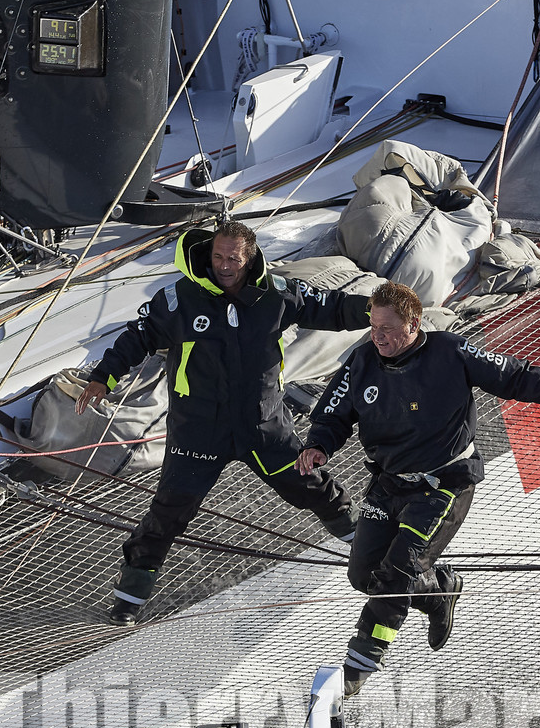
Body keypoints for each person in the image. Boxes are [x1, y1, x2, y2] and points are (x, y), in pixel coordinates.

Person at [296, 281, 540, 696]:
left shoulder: (449, 351)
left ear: (414, 323)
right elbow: (332, 413)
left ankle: (360, 663)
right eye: (373, 327)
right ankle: (439, 590)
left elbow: (509, 374)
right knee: (363, 574)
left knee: (397, 573)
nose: (378, 336)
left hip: (444, 485)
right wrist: (317, 445)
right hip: (388, 485)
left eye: (388, 328)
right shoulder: (361, 362)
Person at [76, 217, 372, 625]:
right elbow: (136, 336)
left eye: (233, 258)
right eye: (217, 256)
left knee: (311, 486)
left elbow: (332, 309)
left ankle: (365, 548)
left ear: (249, 259)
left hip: (263, 428)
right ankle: (129, 596)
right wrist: (102, 378)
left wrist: (376, 308)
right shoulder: (177, 299)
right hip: (198, 432)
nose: (224, 265)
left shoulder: (277, 295)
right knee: (169, 512)